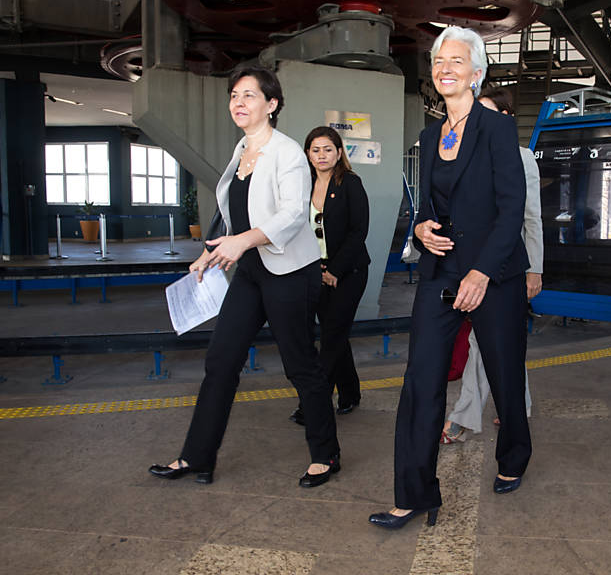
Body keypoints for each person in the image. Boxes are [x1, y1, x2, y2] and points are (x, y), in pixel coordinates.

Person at [368, 26, 531, 529]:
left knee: (504, 375)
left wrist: (482, 272)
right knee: (421, 379)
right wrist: (421, 229)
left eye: (457, 61)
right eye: (439, 60)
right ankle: (415, 493)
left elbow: (512, 210)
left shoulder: (497, 129)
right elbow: (431, 207)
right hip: (441, 272)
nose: (445, 69)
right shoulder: (429, 135)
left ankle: (514, 454)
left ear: (476, 72)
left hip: (493, 274)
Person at [149, 65, 341, 488]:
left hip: (290, 271)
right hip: (251, 271)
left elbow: (293, 214)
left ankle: (325, 454)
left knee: (300, 365)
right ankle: (197, 457)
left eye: (249, 95)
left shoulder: (287, 153)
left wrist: (242, 242)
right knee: (220, 361)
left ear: (271, 105)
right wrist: (213, 250)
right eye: (234, 95)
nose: (238, 102)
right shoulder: (241, 151)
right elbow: (238, 212)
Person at [441, 87, 542, 443]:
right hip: (471, 268)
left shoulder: (521, 157)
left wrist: (534, 269)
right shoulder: (462, 157)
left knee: (491, 343)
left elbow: (531, 217)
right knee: (501, 343)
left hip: (508, 269)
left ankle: (464, 416)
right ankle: (517, 406)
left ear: (506, 118)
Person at [288, 126, 370, 425]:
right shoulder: (303, 184)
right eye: (315, 150)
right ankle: (350, 393)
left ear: (338, 153)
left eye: (328, 149)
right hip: (315, 269)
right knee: (335, 334)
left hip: (349, 272)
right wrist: (316, 268)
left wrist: (335, 269)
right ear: (308, 154)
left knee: (332, 336)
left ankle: (312, 404)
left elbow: (358, 231)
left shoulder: (350, 183)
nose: (321, 155)